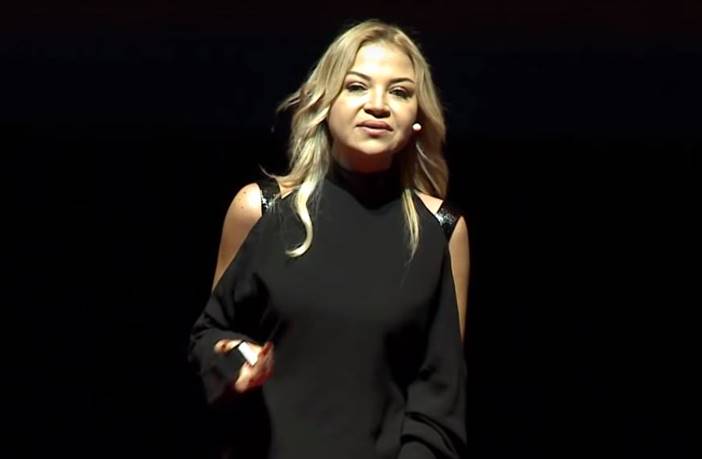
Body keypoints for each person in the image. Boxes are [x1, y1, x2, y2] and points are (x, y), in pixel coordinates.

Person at [188, 18, 470, 459]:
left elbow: (439, 399)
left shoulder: (440, 230)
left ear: (417, 119)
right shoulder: (261, 209)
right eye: (357, 86)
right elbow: (209, 335)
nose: (378, 105)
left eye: (399, 92)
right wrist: (232, 356)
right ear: (326, 103)